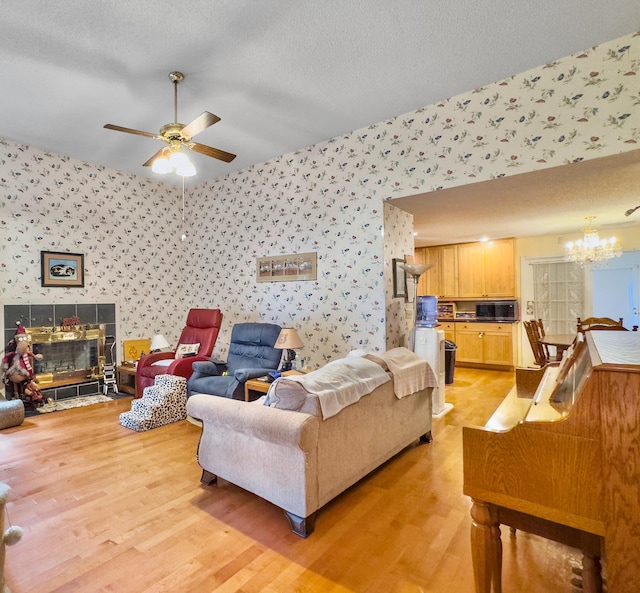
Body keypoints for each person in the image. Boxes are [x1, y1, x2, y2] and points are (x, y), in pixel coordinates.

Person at [2, 323, 44, 406]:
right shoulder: (14, 354)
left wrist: (36, 356)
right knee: (15, 383)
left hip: (24, 373)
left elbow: (32, 354)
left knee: (21, 384)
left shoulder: (26, 353)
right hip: (15, 371)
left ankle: (20, 396)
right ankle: (16, 395)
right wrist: (5, 366)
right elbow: (7, 356)